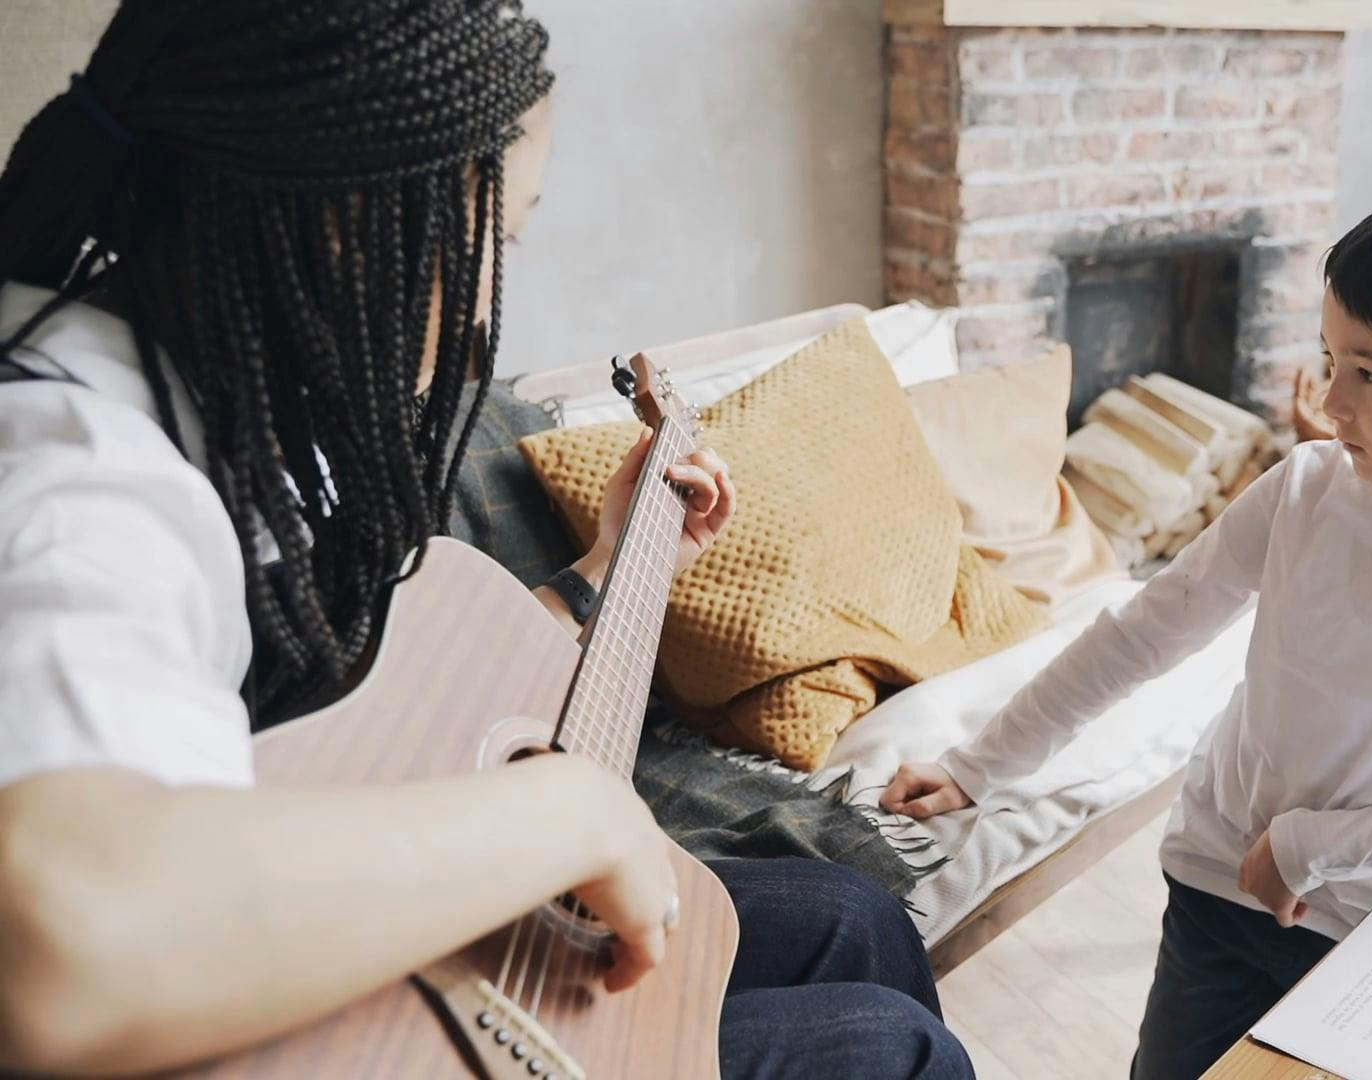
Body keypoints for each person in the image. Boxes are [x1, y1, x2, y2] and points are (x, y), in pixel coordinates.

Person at [0, 2, 969, 1077]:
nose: (485, 300)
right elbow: (64, 943)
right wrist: (564, 818)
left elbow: (374, 706)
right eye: (496, 237)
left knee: (853, 919)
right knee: (894, 1052)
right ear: (359, 223)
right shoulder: (75, 472)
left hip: (334, 948)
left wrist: (610, 566)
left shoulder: (240, 383)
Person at [883, 175, 1372, 1080]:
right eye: (1330, 358)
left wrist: (1311, 843)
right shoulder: (1308, 488)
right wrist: (980, 766)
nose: (1331, 400)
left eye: (1368, 372)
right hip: (1219, 882)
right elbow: (1141, 634)